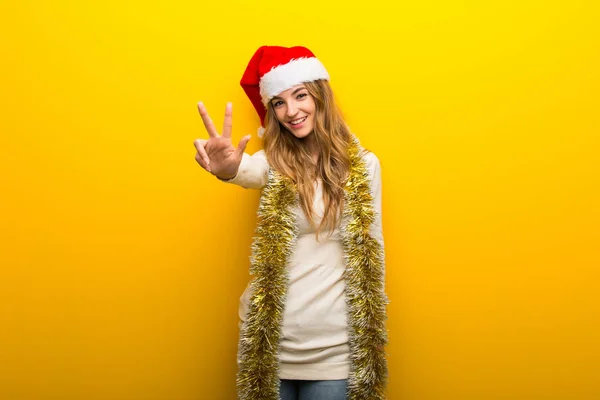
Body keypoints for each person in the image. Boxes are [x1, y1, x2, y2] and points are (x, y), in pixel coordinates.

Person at [193, 45, 388, 400]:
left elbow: (372, 252)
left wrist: (369, 337)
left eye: (300, 96)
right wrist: (227, 170)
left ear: (320, 96)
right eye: (279, 103)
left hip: (334, 349)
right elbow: (245, 169)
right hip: (269, 344)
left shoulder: (363, 167)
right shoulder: (273, 164)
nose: (291, 111)